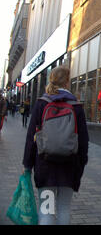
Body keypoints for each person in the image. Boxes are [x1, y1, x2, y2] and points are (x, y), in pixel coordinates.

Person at [22, 66, 89, 225]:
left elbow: (31, 138)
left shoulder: (41, 103)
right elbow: (84, 140)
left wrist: (27, 164)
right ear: (67, 81)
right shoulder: (76, 105)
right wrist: (81, 163)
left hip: (45, 165)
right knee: (64, 208)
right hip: (69, 165)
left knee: (47, 210)